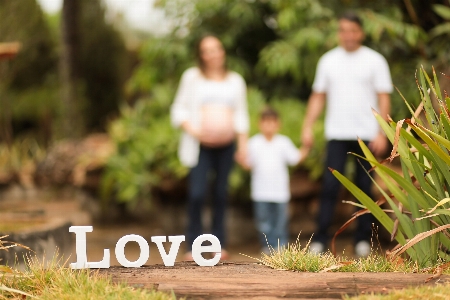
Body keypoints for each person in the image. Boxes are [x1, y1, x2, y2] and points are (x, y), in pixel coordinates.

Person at [300, 12, 393, 257]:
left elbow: (384, 97)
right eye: (343, 30)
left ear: (361, 32)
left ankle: (363, 240)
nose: (348, 35)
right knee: (330, 187)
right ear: (338, 32)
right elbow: (318, 96)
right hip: (337, 133)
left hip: (367, 135)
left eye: (353, 30)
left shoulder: (375, 60)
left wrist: (382, 132)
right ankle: (320, 239)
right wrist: (307, 125)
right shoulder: (328, 60)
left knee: (364, 186)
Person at [170, 35, 249, 260]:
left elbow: (241, 115)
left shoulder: (235, 80)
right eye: (207, 50)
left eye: (217, 49)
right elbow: (178, 109)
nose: (213, 54)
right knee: (196, 194)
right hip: (199, 147)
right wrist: (195, 131)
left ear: (223, 52)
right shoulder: (192, 78)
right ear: (201, 56)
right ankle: (193, 245)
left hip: (226, 147)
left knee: (221, 194)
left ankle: (218, 244)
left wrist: (242, 146)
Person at [241, 107, 308, 253]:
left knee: (280, 221)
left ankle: (280, 246)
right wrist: (240, 159)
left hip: (280, 192)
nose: (269, 126)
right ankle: (267, 246)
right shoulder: (253, 143)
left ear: (278, 124)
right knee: (263, 221)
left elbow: (295, 158)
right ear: (260, 124)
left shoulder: (283, 142)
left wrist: (307, 147)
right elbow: (248, 164)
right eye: (266, 122)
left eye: (272, 122)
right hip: (260, 192)